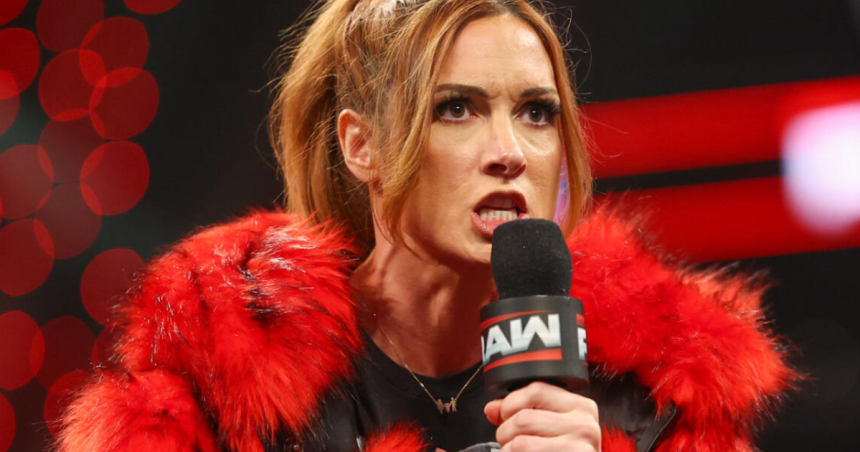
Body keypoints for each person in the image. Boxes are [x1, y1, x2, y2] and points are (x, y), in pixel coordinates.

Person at [56, 1, 797, 451]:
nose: (510, 151)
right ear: (362, 146)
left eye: (536, 112)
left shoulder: (653, 402)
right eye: (457, 108)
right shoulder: (216, 396)